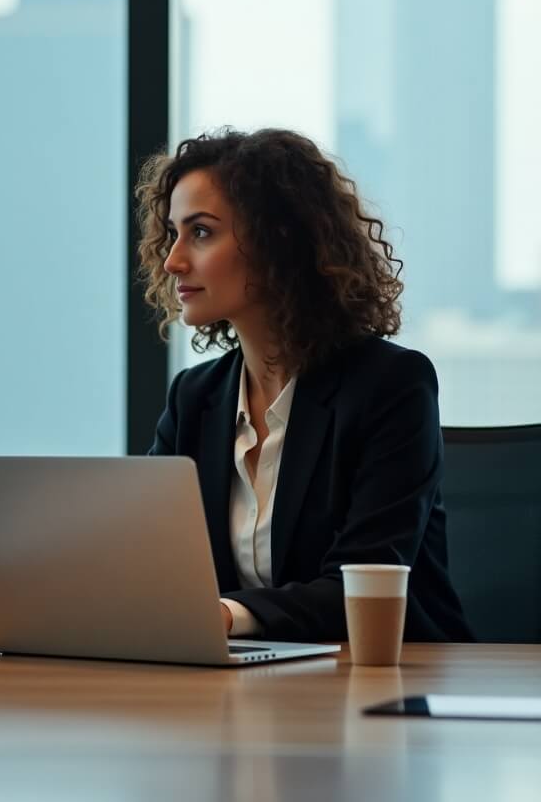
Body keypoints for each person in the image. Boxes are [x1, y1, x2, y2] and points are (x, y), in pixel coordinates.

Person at [136, 127, 470, 643]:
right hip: (247, 678)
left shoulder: (391, 387)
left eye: (200, 232)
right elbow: (151, 561)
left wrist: (225, 615)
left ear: (278, 241)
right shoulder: (194, 398)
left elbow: (361, 585)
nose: (172, 260)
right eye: (173, 233)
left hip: (392, 675)